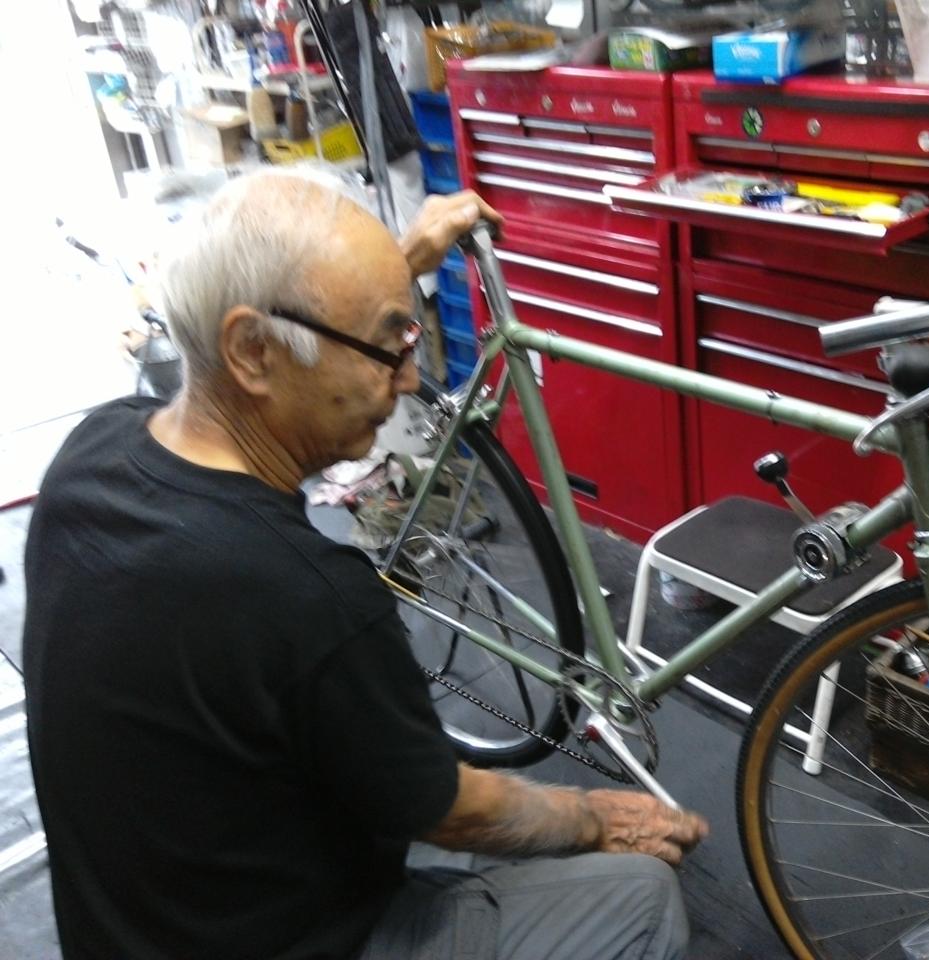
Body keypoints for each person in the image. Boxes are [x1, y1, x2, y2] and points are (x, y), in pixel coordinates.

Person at [22, 169, 708, 960]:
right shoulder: (307, 596)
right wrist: (592, 817)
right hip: (295, 940)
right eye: (387, 344)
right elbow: (452, 809)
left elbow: (275, 341)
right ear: (253, 350)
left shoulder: (93, 453)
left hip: (135, 923)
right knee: (642, 897)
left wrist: (385, 272)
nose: (409, 379)